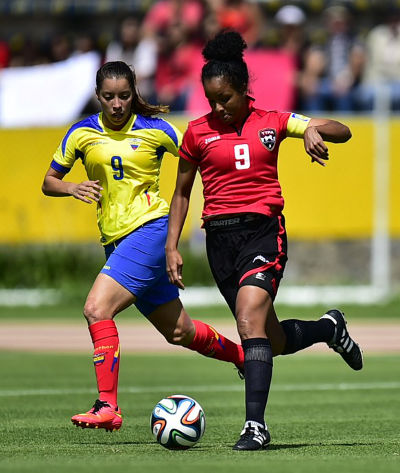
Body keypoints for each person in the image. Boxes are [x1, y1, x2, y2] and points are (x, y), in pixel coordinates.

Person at [165, 31, 363, 451]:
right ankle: (329, 328)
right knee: (267, 338)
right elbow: (181, 193)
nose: (217, 107)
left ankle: (255, 426)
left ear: (243, 90)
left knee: (248, 321)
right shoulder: (197, 133)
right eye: (211, 99)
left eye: (226, 98)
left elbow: (342, 130)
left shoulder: (272, 121)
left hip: (262, 231)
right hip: (220, 242)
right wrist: (171, 246)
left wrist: (312, 130)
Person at [42, 61, 244, 432]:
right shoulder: (81, 133)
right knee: (179, 331)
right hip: (116, 241)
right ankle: (245, 357)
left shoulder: (156, 129)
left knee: (96, 308)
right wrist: (72, 187)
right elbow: (49, 181)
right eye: (109, 97)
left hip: (150, 229)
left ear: (134, 93)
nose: (117, 104)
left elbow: (199, 150)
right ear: (97, 96)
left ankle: (108, 407)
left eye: (124, 95)